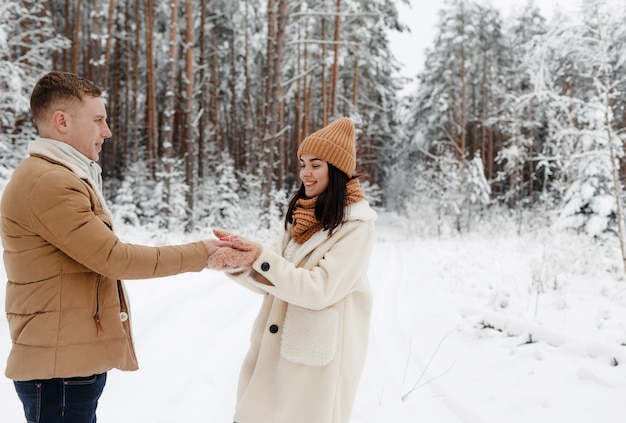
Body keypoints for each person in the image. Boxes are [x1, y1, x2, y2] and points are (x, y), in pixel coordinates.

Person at [0, 70, 233, 423]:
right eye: (97, 120)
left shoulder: (59, 175)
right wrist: (201, 252)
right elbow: (113, 258)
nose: (106, 131)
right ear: (61, 121)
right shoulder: (49, 182)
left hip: (65, 362)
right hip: (59, 370)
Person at [208, 117, 377, 423]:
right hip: (273, 359)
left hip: (312, 371)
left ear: (336, 170)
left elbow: (319, 289)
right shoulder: (300, 216)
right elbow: (274, 278)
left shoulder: (356, 227)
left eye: (316, 164)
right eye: (302, 164)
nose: (305, 173)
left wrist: (261, 257)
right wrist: (242, 263)